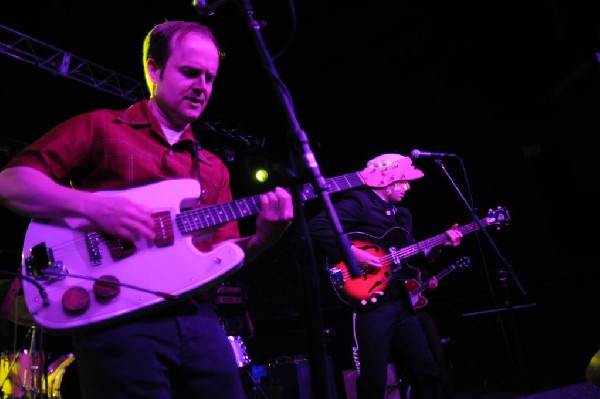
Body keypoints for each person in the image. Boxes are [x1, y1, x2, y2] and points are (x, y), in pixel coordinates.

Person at [0, 20, 293, 399]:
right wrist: (93, 208)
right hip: (115, 320)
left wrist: (266, 239)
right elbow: (11, 183)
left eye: (210, 78)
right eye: (190, 72)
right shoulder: (102, 127)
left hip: (196, 320)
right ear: (154, 70)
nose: (202, 87)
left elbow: (224, 258)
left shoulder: (214, 168)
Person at [308, 153, 462, 399]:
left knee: (427, 369)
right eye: (402, 181)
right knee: (373, 378)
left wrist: (442, 245)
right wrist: (353, 253)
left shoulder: (403, 215)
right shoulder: (359, 201)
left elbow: (412, 260)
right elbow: (318, 227)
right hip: (371, 302)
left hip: (401, 300)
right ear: (386, 181)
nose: (407, 187)